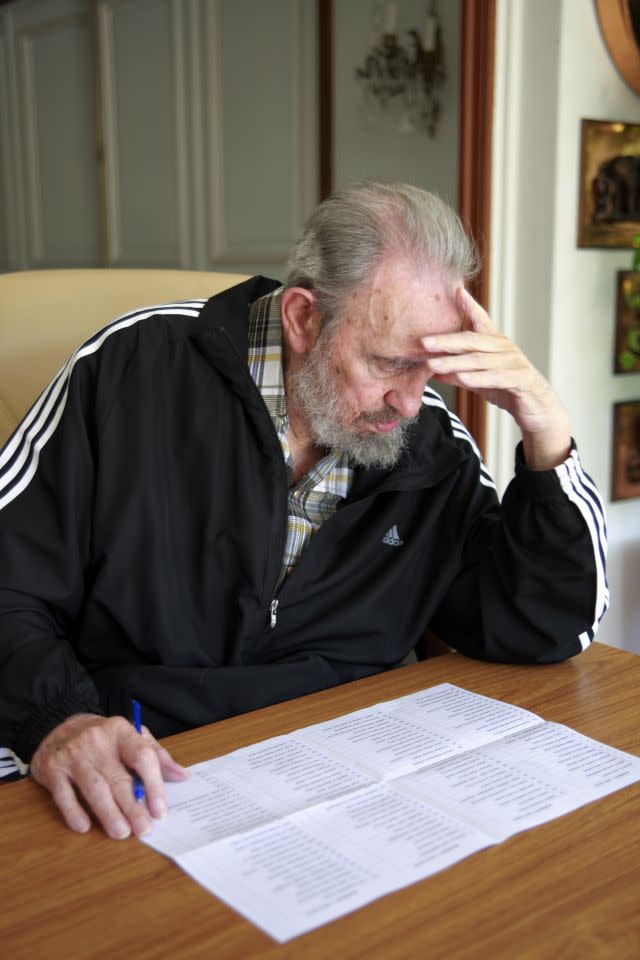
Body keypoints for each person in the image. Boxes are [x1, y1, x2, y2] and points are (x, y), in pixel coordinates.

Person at [0, 179, 607, 840]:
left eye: (429, 369)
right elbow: (9, 582)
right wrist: (59, 718)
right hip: (137, 774)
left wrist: (545, 429)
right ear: (301, 319)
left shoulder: (426, 443)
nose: (410, 401)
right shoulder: (131, 370)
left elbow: (544, 628)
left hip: (340, 791)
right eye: (390, 363)